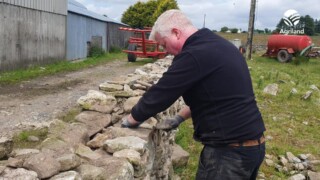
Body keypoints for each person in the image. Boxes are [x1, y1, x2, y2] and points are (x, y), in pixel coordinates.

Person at [121, 9, 266, 180]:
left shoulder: (193, 54)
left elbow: (161, 94)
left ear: (176, 32)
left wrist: (131, 120)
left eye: (164, 44)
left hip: (228, 154)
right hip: (253, 147)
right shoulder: (218, 45)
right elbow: (214, 95)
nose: (165, 50)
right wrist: (179, 118)